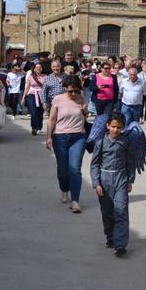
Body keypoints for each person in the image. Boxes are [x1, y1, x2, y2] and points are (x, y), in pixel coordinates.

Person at [90, 113, 138, 256]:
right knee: (107, 213)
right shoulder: (100, 143)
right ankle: (110, 237)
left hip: (121, 178)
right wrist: (96, 183)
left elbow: (131, 161)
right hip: (105, 180)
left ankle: (120, 244)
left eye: (119, 127)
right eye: (113, 127)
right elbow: (94, 165)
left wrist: (130, 180)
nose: (116, 130)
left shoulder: (126, 141)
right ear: (107, 126)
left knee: (121, 210)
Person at [46, 76, 89, 214]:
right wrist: (49, 137)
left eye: (76, 91)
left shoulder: (82, 98)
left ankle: (75, 201)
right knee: (63, 169)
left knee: (75, 169)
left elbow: (85, 117)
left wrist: (84, 110)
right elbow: (52, 120)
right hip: (60, 137)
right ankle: (64, 189)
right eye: (70, 91)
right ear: (65, 88)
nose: (73, 94)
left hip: (79, 137)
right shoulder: (58, 99)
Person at [23, 63, 47, 136]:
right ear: (34, 69)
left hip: (42, 95)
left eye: (40, 67)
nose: (38, 68)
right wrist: (23, 97)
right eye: (37, 67)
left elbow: (47, 88)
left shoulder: (46, 77)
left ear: (42, 68)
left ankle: (39, 127)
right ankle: (34, 128)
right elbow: (27, 87)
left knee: (40, 112)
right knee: (33, 112)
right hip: (31, 95)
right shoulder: (30, 77)